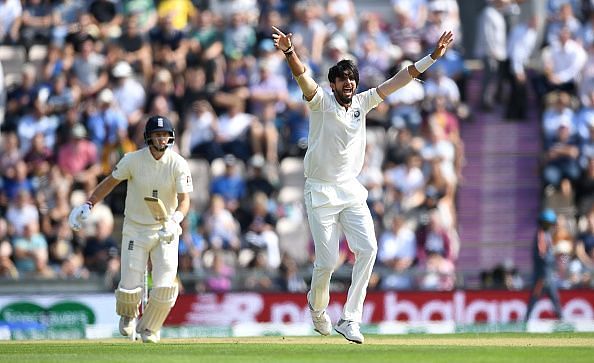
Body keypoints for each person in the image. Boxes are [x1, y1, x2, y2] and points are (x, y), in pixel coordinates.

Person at [272, 25, 454, 344]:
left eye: (352, 78)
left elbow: (401, 78)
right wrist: (290, 53)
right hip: (320, 190)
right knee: (327, 262)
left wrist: (432, 58)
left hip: (351, 189)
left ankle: (350, 318)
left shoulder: (363, 102)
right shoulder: (321, 103)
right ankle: (317, 310)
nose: (349, 83)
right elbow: (303, 78)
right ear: (333, 84)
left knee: (369, 248)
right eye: (342, 79)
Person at [68, 115, 193, 343]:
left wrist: (175, 220)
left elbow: (185, 200)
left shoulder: (178, 163)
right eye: (157, 134)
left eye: (165, 134)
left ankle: (149, 328)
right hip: (136, 228)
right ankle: (128, 314)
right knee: (130, 285)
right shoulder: (132, 160)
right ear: (148, 137)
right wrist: (89, 203)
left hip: (166, 229)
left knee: (165, 286)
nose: (162, 139)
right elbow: (110, 182)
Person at [525, 209, 564, 322]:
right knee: (534, 299)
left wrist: (559, 258)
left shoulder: (547, 235)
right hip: (541, 277)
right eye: (547, 223)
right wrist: (555, 257)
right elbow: (542, 256)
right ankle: (525, 322)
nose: (549, 226)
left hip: (548, 276)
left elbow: (551, 257)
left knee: (555, 299)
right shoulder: (541, 234)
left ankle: (562, 321)